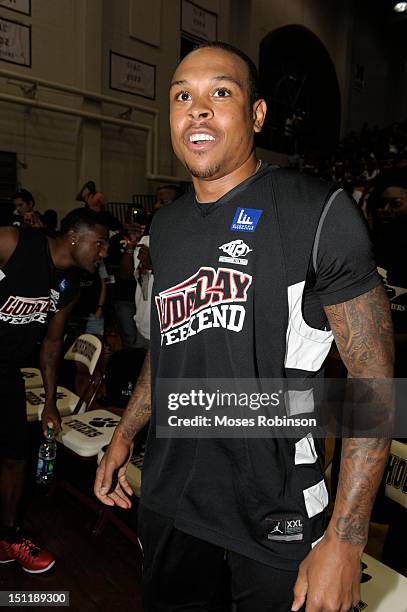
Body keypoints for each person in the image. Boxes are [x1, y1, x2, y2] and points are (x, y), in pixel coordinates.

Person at [95, 43, 394, 611]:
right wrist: (127, 433)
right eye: (183, 96)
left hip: (275, 503)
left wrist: (346, 540)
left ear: (256, 114)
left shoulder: (318, 212)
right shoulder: (170, 223)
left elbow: (373, 386)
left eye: (220, 93)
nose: (198, 109)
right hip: (172, 492)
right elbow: (169, 342)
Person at [0, 208, 109, 573]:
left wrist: (50, 403)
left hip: (6, 371)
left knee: (16, 456)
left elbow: (51, 343)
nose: (103, 252)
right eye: (100, 243)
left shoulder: (70, 286)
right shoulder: (14, 243)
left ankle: (8, 536)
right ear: (75, 237)